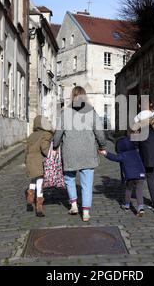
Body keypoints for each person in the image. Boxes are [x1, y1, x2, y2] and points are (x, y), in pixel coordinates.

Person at [53, 87, 107, 223]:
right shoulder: (91, 111)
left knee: (69, 179)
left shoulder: (65, 113)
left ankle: (73, 205)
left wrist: (55, 146)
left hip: (70, 152)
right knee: (87, 184)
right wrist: (102, 146)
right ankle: (86, 212)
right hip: (88, 152)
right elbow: (99, 132)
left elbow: (58, 133)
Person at [99, 136, 147, 217]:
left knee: (128, 190)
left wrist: (105, 153)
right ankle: (140, 207)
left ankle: (127, 206)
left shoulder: (123, 155)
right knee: (139, 191)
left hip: (130, 176)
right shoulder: (136, 152)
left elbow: (115, 157)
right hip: (140, 175)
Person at [25, 115, 54, 217]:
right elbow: (45, 148)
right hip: (39, 161)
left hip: (30, 160)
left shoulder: (31, 135)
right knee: (40, 183)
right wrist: (51, 156)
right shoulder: (45, 134)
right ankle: (39, 207)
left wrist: (26, 162)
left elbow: (26, 150)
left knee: (33, 180)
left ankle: (29, 201)